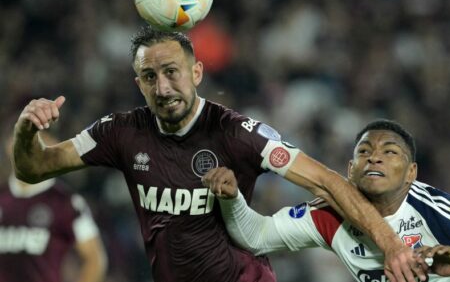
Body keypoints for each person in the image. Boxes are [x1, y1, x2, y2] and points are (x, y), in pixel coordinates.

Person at [12, 26, 426, 282]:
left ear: (196, 72)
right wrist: (26, 131)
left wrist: (390, 244)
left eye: (172, 72)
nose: (163, 87)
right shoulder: (120, 132)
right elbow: (33, 169)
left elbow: (327, 182)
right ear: (138, 83)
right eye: (150, 77)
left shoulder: (238, 132)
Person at [203, 119, 450, 282]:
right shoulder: (328, 215)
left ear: (411, 173)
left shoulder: (435, 210)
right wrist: (232, 200)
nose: (375, 157)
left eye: (390, 152)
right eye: (364, 151)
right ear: (349, 169)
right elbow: (257, 237)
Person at [0, 132, 107, 282]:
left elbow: (95, 260)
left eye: (38, 140)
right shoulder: (2, 197)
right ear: (9, 145)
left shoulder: (66, 203)